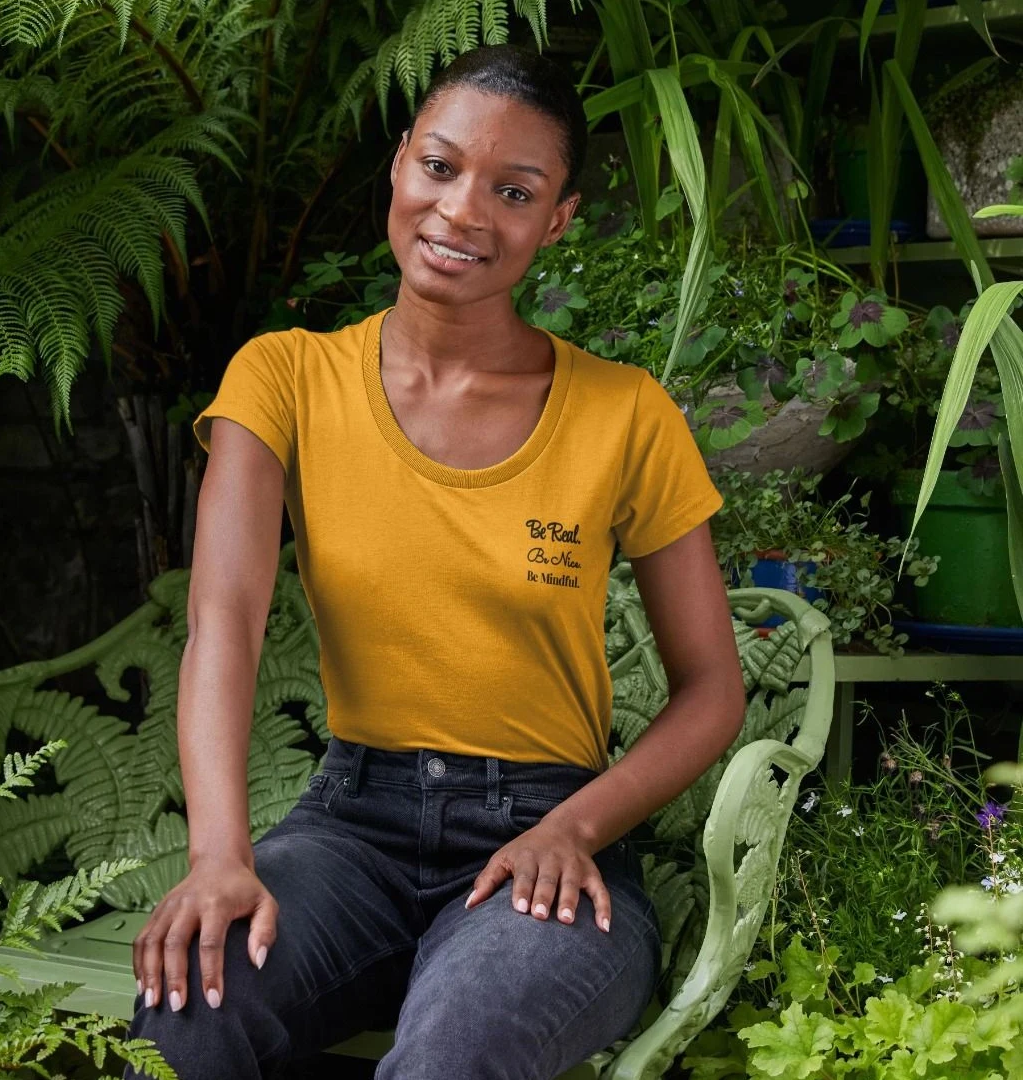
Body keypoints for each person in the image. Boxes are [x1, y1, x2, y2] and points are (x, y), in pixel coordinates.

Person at [125, 42, 745, 1080]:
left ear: (558, 221)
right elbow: (223, 618)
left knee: (459, 1050)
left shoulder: (625, 413)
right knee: (189, 1008)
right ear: (400, 164)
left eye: (515, 191)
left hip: (546, 839)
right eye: (441, 167)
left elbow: (712, 689)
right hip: (349, 831)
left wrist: (574, 830)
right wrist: (218, 856)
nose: (461, 212)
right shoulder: (286, 378)